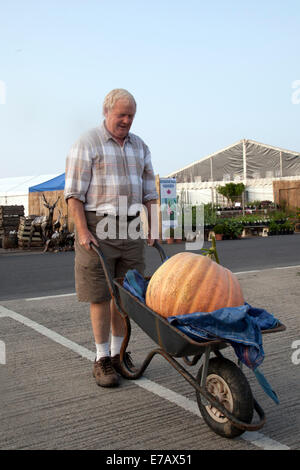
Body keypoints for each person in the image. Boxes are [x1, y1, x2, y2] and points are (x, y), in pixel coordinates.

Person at [64, 89, 158, 388]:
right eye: (122, 115)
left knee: (127, 295)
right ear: (106, 112)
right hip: (97, 224)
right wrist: (82, 230)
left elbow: (150, 194)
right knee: (101, 294)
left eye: (131, 115)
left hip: (130, 226)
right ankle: (102, 358)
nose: (127, 120)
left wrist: (153, 228)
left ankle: (119, 354)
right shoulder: (87, 143)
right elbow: (74, 194)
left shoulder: (140, 146)